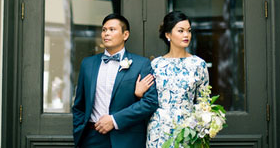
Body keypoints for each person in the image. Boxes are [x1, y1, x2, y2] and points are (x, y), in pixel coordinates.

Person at [72, 13, 158, 147]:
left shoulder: (141, 64)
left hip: (126, 139)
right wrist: (79, 132)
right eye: (104, 30)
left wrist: (114, 120)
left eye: (112, 30)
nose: (106, 33)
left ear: (125, 35)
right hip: (91, 138)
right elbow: (79, 105)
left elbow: (150, 102)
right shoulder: (87, 64)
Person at [138, 11, 209, 148]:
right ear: (168, 35)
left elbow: (203, 102)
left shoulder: (199, 64)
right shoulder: (155, 65)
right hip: (159, 129)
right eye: (180, 31)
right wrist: (139, 93)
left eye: (188, 31)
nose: (186, 35)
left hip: (188, 130)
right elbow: (148, 100)